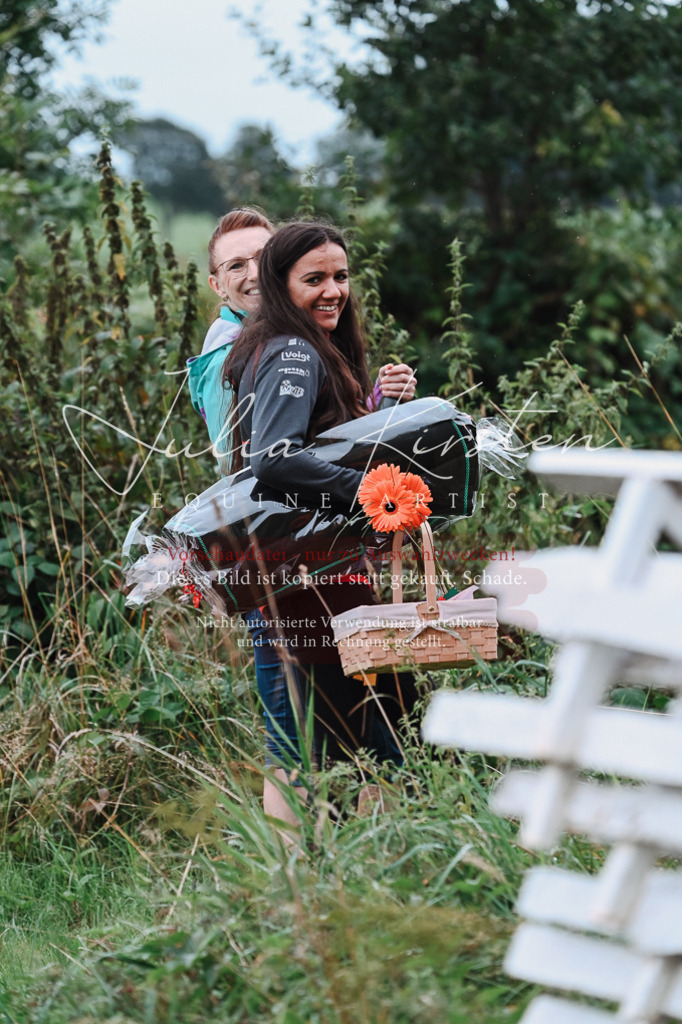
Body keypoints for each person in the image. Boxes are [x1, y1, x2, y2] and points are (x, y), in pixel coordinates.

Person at [224, 221, 419, 804]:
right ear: (281, 285)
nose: (333, 290)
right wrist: (374, 493)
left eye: (341, 276)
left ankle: (343, 874)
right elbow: (276, 458)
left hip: (308, 572)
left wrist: (381, 409)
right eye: (314, 279)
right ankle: (323, 879)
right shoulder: (292, 349)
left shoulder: (297, 347)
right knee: (366, 727)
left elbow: (318, 442)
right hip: (313, 578)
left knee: (347, 731)